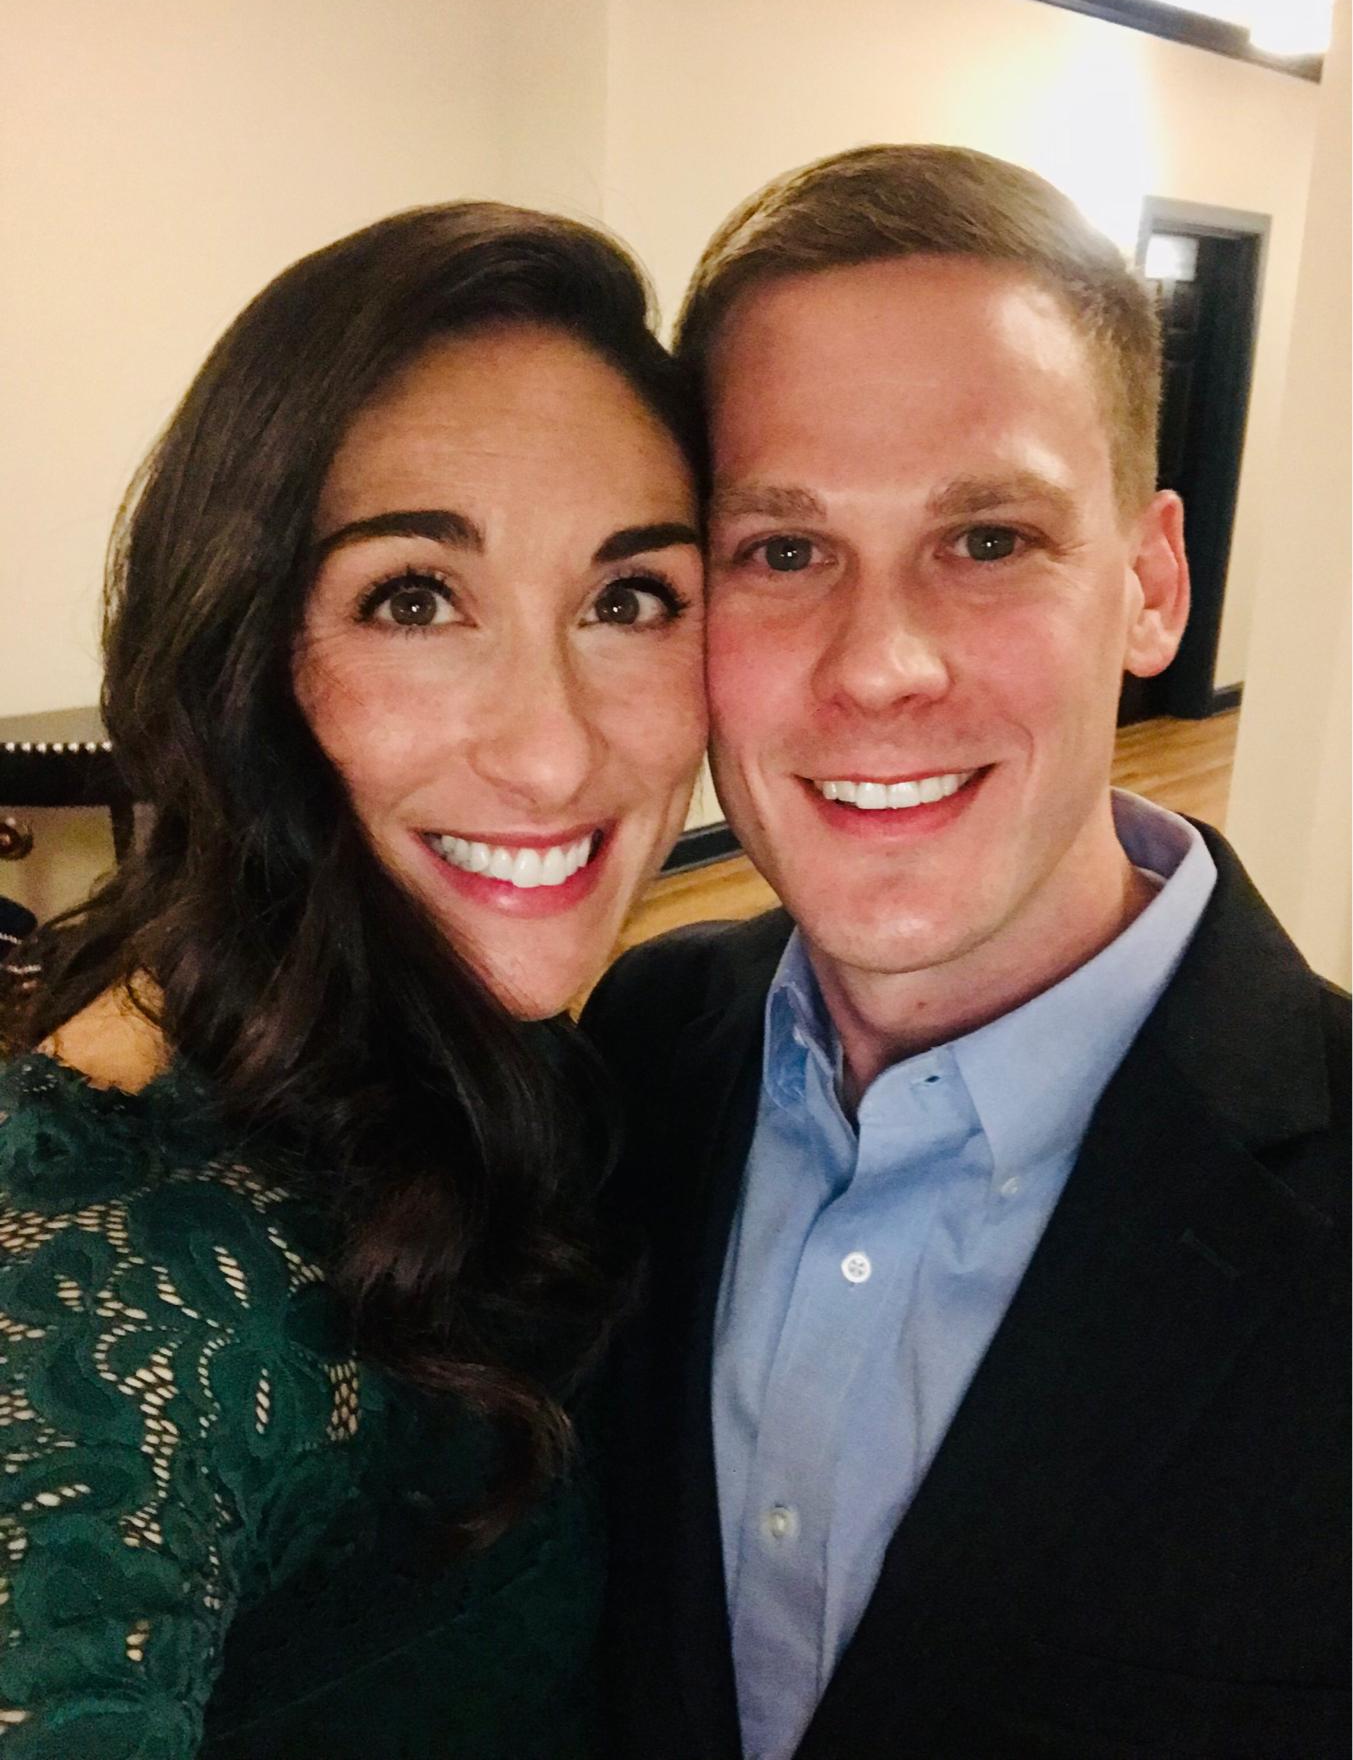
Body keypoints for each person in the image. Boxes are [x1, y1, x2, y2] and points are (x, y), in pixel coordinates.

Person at [584, 145, 1349, 1759]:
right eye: (782, 551)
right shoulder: (636, 1053)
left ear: (1148, 587)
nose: (881, 666)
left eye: (988, 539)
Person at [0, 202, 706, 1756]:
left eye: (629, 599)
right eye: (414, 598)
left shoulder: (537, 1039)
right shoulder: (117, 1279)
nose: (552, 752)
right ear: (245, 649)